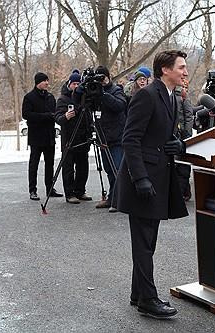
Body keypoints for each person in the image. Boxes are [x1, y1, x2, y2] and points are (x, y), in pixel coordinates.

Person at [113, 50, 189, 319]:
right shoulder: (146, 95)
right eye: (181, 67)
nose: (185, 72)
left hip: (158, 178)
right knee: (144, 243)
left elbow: (166, 136)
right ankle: (148, 299)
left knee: (148, 242)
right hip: (142, 181)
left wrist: (179, 145)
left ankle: (138, 294)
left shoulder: (172, 97)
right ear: (165, 70)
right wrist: (140, 178)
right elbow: (130, 139)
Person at [21, 72, 63, 201]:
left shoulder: (50, 97)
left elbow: (55, 114)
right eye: (44, 81)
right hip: (36, 136)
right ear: (38, 82)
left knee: (50, 164)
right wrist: (45, 116)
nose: (47, 83)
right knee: (34, 164)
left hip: (49, 135)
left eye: (47, 81)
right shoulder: (29, 97)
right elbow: (26, 115)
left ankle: (50, 188)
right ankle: (32, 190)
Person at [54, 70, 93, 204]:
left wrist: (91, 128)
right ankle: (70, 193)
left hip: (83, 137)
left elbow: (88, 115)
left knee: (83, 167)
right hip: (69, 137)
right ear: (69, 84)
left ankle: (80, 190)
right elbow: (57, 118)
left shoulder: (84, 98)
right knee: (69, 168)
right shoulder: (63, 99)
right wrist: (65, 117)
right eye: (74, 83)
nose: (76, 86)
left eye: (78, 83)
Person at [92, 66, 128, 211]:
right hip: (103, 136)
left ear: (109, 77)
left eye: (104, 78)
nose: (102, 81)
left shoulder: (116, 90)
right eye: (99, 78)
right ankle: (112, 197)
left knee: (117, 169)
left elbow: (119, 106)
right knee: (108, 169)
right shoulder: (95, 91)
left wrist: (103, 94)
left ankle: (118, 200)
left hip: (117, 137)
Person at [174, 78, 194, 201]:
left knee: (182, 165)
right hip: (173, 133)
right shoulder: (170, 95)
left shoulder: (184, 98)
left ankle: (182, 192)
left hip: (182, 135)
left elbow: (188, 116)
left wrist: (187, 134)